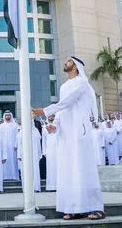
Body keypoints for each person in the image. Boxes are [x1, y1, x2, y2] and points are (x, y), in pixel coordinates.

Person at [32, 56, 105, 221]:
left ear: (76, 66)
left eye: (69, 61)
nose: (65, 63)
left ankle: (96, 207)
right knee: (69, 170)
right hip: (66, 133)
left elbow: (69, 101)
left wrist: (45, 111)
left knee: (84, 168)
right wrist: (55, 125)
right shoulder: (64, 86)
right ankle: (74, 208)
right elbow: (62, 108)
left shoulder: (82, 82)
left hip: (80, 131)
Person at [17, 117, 42, 192]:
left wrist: (39, 154)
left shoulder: (36, 131)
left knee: (35, 171)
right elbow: (19, 145)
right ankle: (26, 189)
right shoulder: (21, 132)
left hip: (34, 155)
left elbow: (38, 144)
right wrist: (19, 155)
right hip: (24, 155)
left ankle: (36, 187)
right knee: (25, 171)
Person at [0, 110, 20, 181]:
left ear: (11, 116)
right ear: (4, 116)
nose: (8, 116)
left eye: (9, 115)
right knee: (5, 160)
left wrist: (16, 145)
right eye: (6, 115)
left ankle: (14, 176)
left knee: (13, 161)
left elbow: (18, 136)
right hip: (4, 147)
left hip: (13, 147)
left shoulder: (15, 125)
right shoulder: (1, 126)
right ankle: (5, 176)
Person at [42, 114, 59, 191]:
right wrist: (44, 151)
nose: (51, 117)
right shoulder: (44, 128)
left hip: (58, 149)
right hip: (49, 150)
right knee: (50, 168)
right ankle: (51, 186)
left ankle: (58, 186)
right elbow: (44, 140)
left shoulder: (58, 127)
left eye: (52, 116)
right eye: (50, 116)